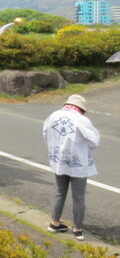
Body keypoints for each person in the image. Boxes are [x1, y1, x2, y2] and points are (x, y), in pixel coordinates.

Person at [43, 94, 99, 241]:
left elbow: (45, 134)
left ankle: (55, 223)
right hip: (78, 163)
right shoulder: (81, 119)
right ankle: (78, 228)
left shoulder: (53, 115)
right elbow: (94, 140)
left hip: (59, 161)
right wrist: (86, 152)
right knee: (78, 196)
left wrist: (55, 150)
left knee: (59, 192)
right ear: (81, 108)